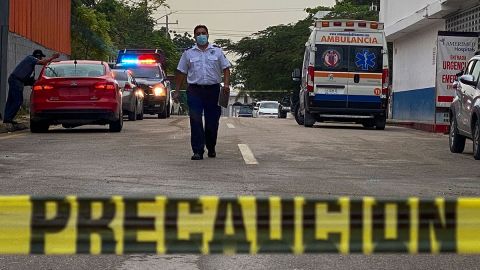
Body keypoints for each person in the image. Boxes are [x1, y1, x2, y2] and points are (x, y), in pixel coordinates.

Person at [174, 25, 231, 160]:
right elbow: (181, 72)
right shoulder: (188, 53)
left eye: (203, 33)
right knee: (195, 120)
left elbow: (226, 68)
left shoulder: (217, 51)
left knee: (212, 122)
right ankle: (198, 150)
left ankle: (211, 146)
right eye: (198, 33)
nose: (201, 35)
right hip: (194, 91)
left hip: (213, 90)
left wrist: (226, 85)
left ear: (208, 35)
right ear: (194, 37)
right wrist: (176, 91)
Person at [3, 50, 60, 124]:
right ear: (38, 56)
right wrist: (53, 57)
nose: (41, 59)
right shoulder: (31, 58)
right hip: (16, 80)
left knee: (11, 100)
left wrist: (35, 83)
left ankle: (7, 118)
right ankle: (8, 118)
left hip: (15, 80)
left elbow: (26, 78)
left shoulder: (30, 63)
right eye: (41, 57)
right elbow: (43, 62)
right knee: (17, 101)